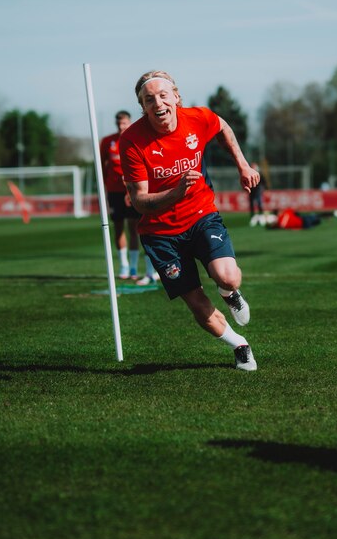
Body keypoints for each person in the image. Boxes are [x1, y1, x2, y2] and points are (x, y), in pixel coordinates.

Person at [120, 71, 261, 371]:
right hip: (159, 234)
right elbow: (140, 202)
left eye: (163, 95)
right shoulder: (131, 141)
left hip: (201, 215)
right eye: (149, 100)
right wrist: (177, 191)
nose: (158, 103)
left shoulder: (197, 117)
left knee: (228, 277)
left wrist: (243, 165)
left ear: (176, 97)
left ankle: (229, 293)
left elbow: (222, 127)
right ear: (143, 107)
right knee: (196, 302)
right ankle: (239, 344)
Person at [100, 110, 156, 283]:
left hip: (133, 191)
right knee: (118, 227)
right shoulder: (107, 142)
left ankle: (138, 266)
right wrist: (104, 188)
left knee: (136, 227)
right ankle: (124, 265)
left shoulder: (136, 139)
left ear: (129, 123)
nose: (121, 126)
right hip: (114, 191)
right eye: (118, 123)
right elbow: (102, 166)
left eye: (124, 123)